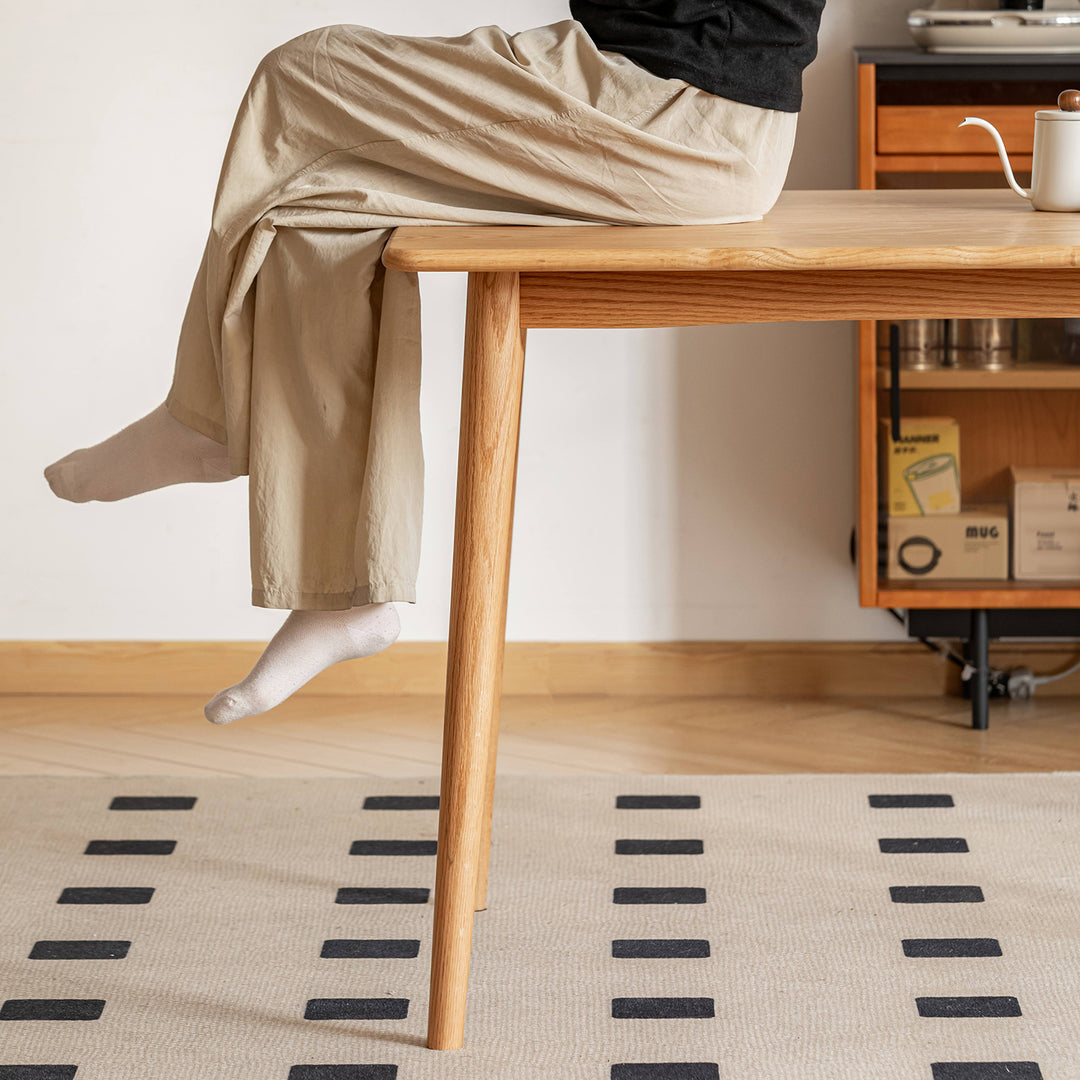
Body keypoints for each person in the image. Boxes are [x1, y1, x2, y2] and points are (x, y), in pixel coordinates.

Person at [44, 2, 826, 724]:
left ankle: (209, 423)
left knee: (301, 81)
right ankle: (350, 587)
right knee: (330, 197)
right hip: (671, 104)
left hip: (670, 108)